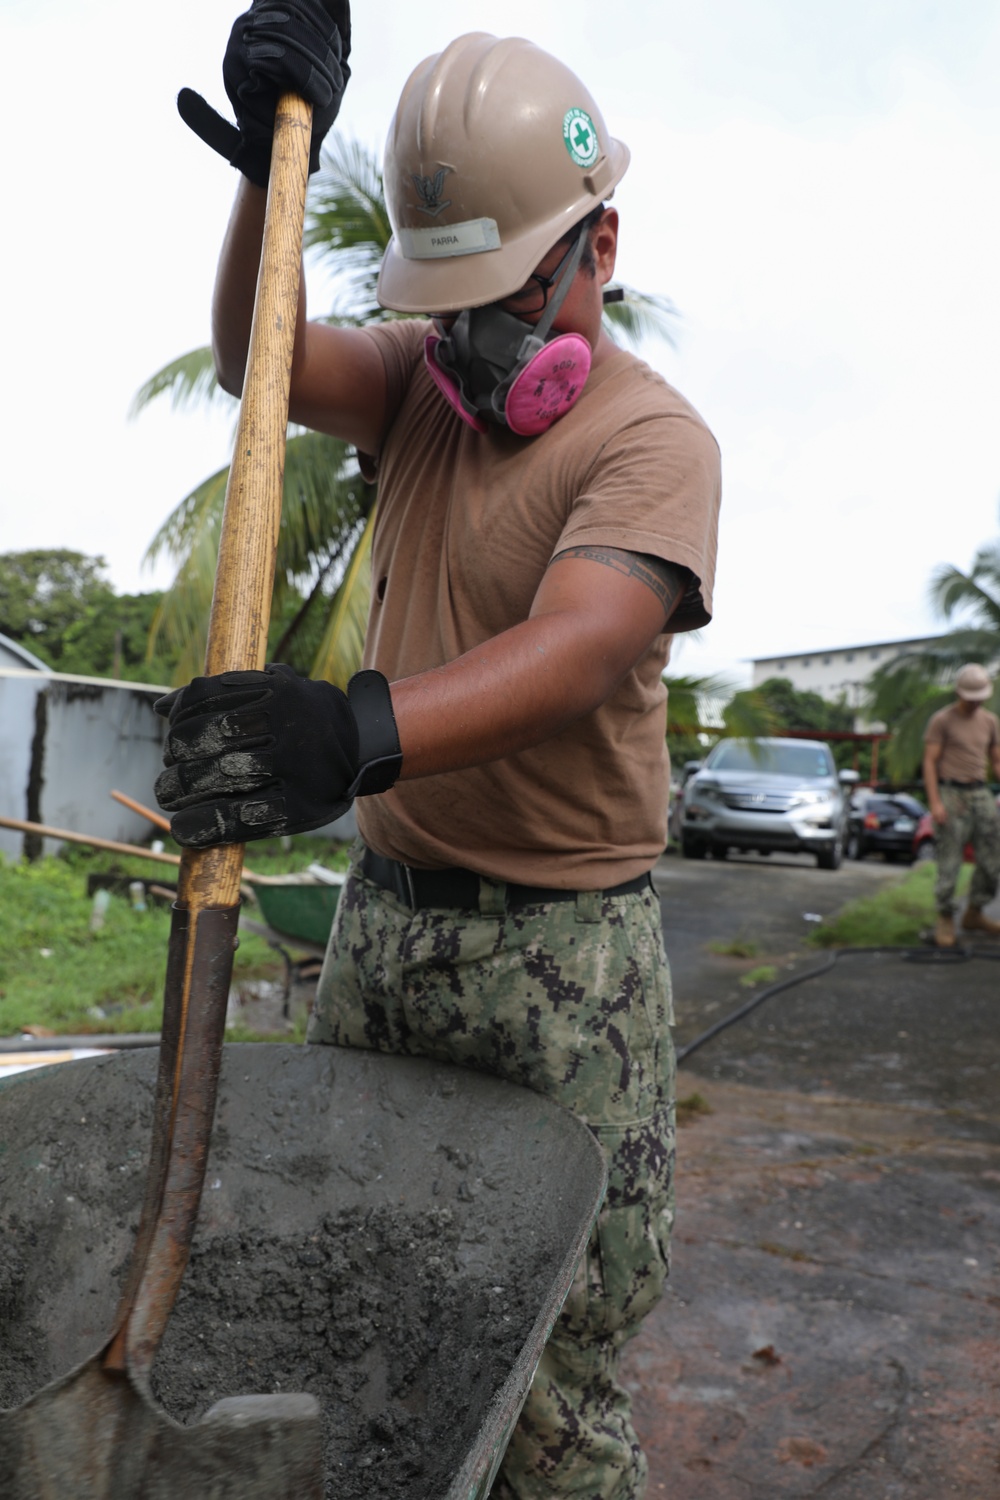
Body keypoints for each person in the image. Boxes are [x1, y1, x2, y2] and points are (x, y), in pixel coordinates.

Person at [160, 5, 721, 1494]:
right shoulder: (422, 390)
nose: (474, 343)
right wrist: (264, 186)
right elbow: (256, 362)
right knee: (361, 1321)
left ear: (598, 249)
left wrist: (352, 730)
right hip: (386, 938)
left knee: (548, 1381)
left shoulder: (652, 442)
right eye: (448, 301)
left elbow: (581, 643)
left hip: (563, 971)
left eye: (505, 301)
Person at [922, 663, 1000, 948]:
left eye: (980, 695)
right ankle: (945, 916)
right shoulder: (942, 720)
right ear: (959, 692)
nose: (975, 700)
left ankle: (975, 912)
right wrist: (935, 802)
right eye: (971, 695)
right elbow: (929, 762)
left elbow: (997, 760)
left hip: (980, 792)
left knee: (993, 859)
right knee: (950, 861)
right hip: (951, 792)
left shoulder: (990, 721)